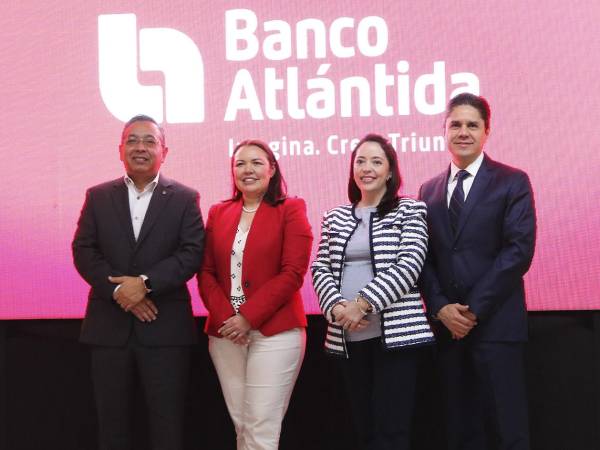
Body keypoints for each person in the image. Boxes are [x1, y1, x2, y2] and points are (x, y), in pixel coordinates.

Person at [72, 115, 204, 450]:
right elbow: (84, 250)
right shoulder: (98, 196)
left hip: (165, 329)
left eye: (149, 141)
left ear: (164, 151)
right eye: (132, 140)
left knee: (167, 426)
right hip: (108, 330)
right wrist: (119, 291)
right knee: (112, 428)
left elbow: (191, 253)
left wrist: (144, 284)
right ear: (120, 149)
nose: (140, 147)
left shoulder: (185, 198)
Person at [419, 93, 536, 450]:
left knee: (507, 430)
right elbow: (423, 258)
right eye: (455, 124)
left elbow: (518, 252)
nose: (463, 132)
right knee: (459, 433)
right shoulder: (428, 190)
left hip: (496, 327)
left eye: (472, 125)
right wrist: (440, 307)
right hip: (448, 332)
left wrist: (471, 311)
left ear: (487, 131)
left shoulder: (512, 181)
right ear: (444, 130)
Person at [311, 133, 435, 450]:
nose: (367, 168)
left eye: (376, 162)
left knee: (391, 431)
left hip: (395, 337)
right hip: (348, 336)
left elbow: (409, 264)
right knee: (363, 428)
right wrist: (338, 308)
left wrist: (362, 304)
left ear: (390, 171)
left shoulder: (410, 210)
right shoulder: (335, 217)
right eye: (361, 161)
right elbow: (320, 267)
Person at [198, 139, 313, 450]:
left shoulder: (290, 209)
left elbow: (293, 272)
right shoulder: (219, 212)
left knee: (261, 424)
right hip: (226, 334)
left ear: (272, 169)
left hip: (276, 332)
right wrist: (229, 320)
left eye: (256, 163)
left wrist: (247, 318)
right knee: (243, 426)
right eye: (240, 163)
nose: (247, 169)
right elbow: (205, 272)